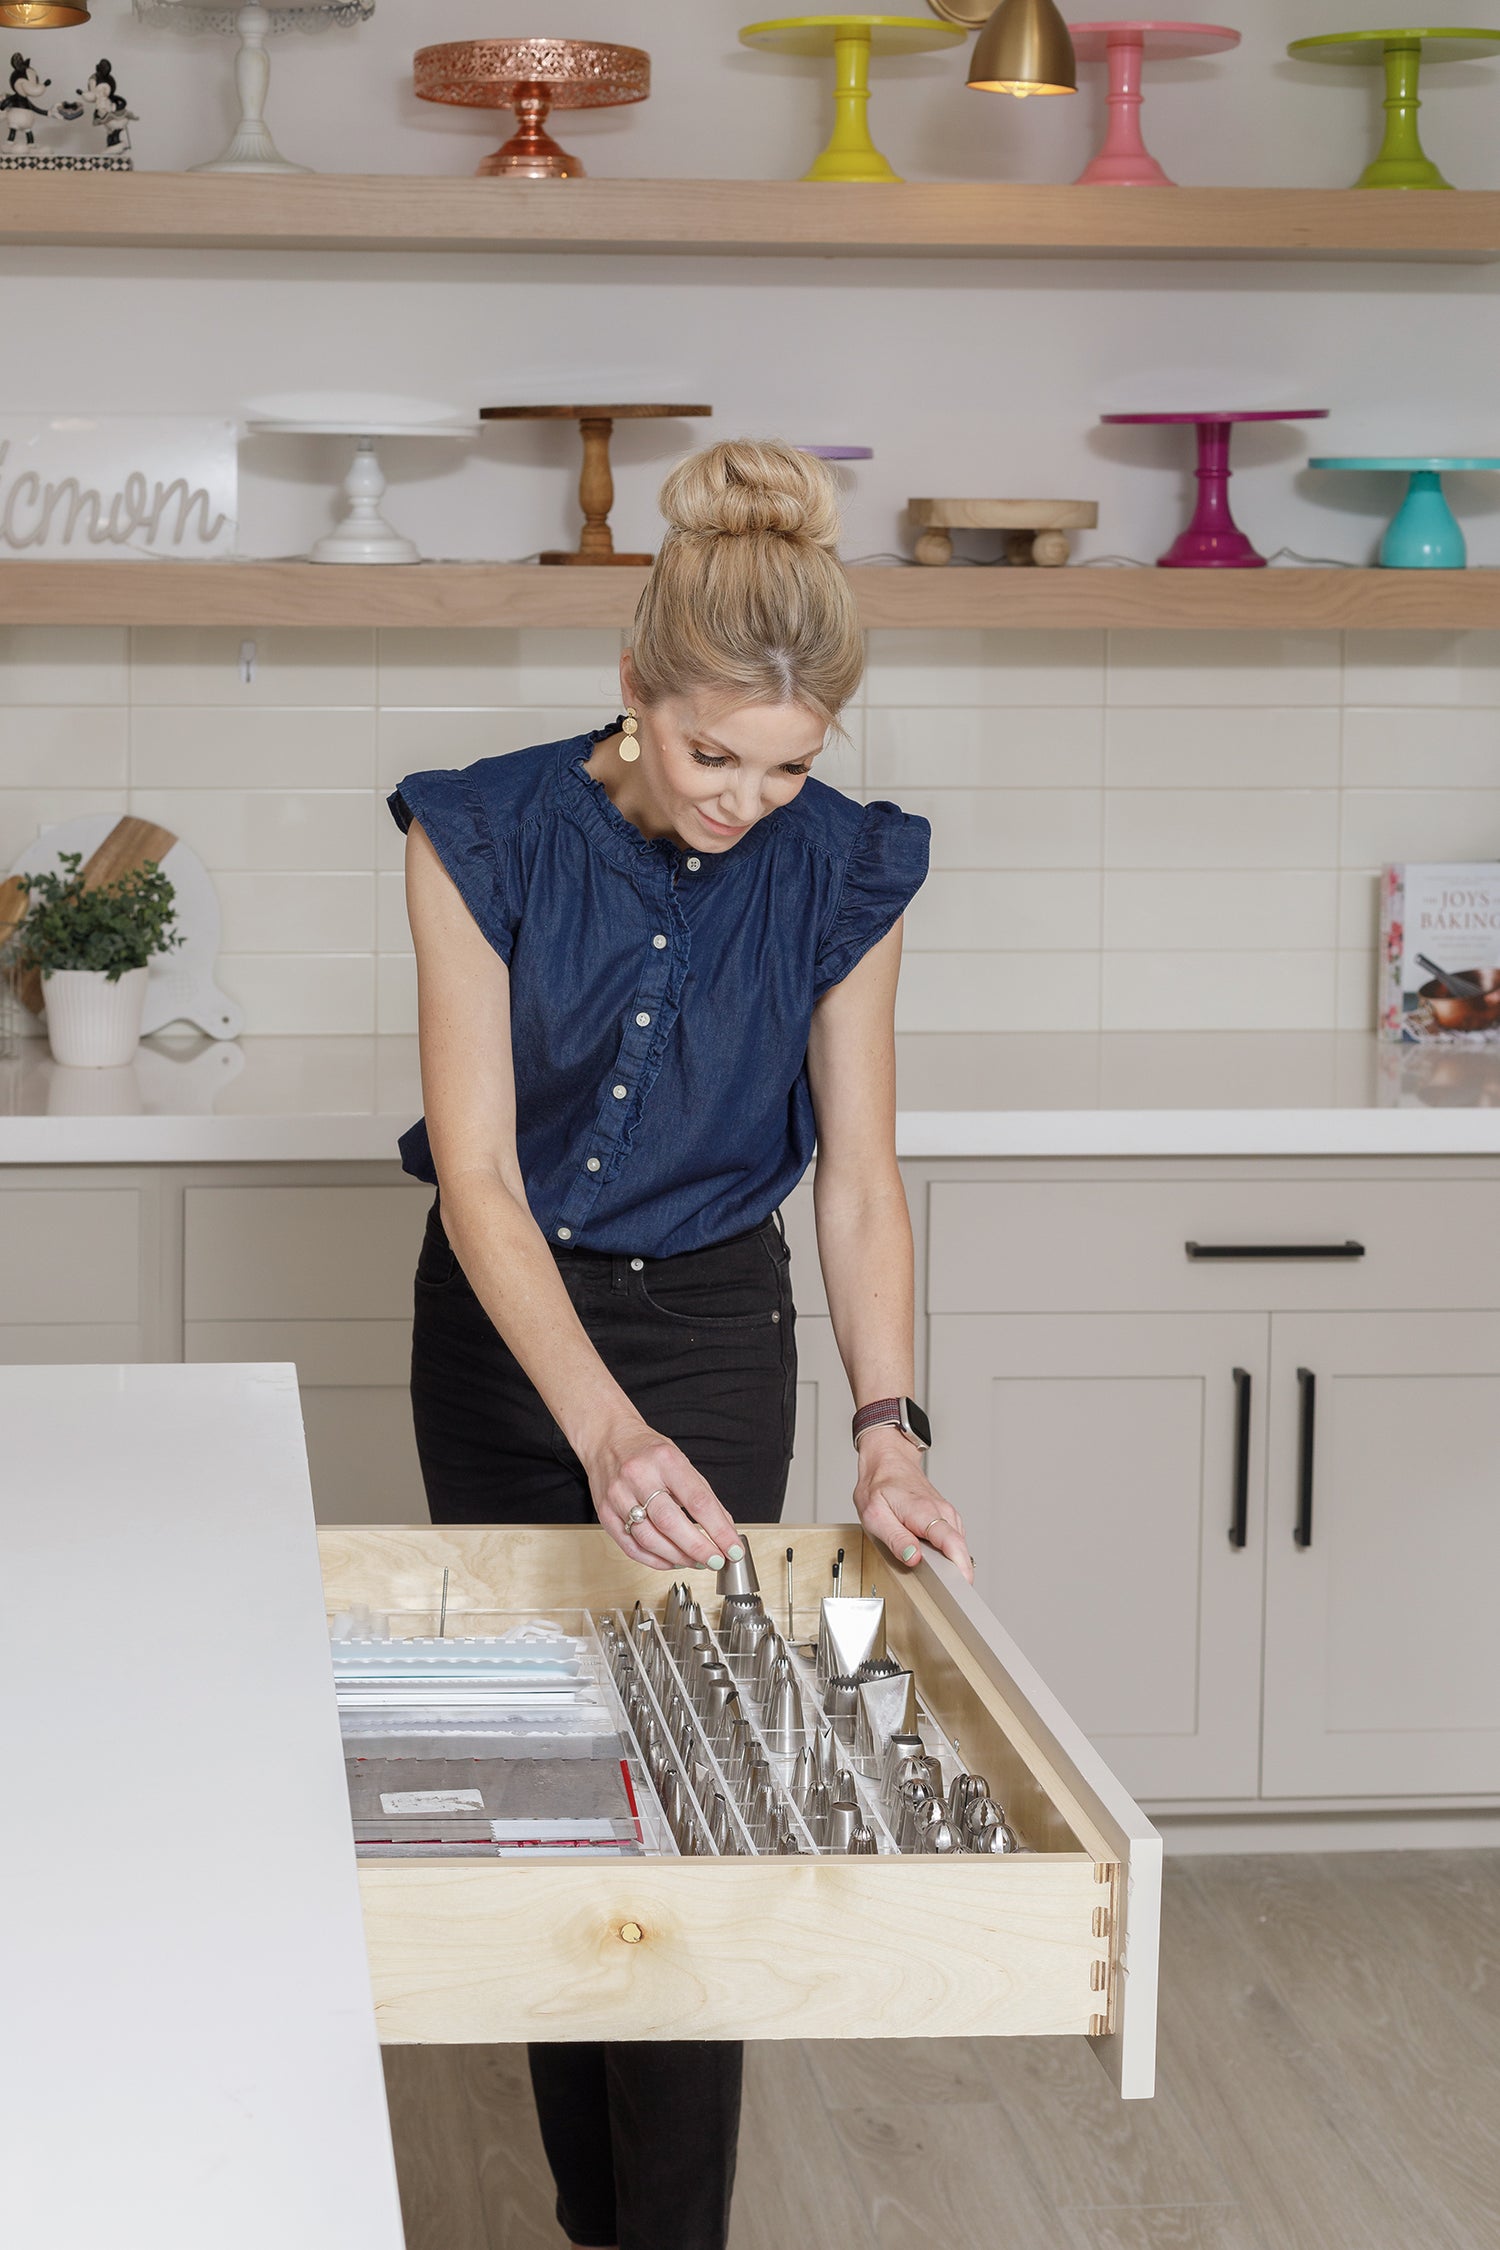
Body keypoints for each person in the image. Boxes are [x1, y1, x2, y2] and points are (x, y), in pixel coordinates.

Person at [391, 437, 973, 2250]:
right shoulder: (472, 832)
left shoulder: (845, 873)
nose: (743, 800)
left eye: (787, 766)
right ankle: (592, 2210)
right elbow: (479, 1179)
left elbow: (860, 1181)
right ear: (632, 691)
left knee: (696, 1790)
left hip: (718, 1320)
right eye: (710, 752)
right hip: (508, 1334)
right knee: (546, 1784)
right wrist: (595, 1429)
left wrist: (891, 1425)